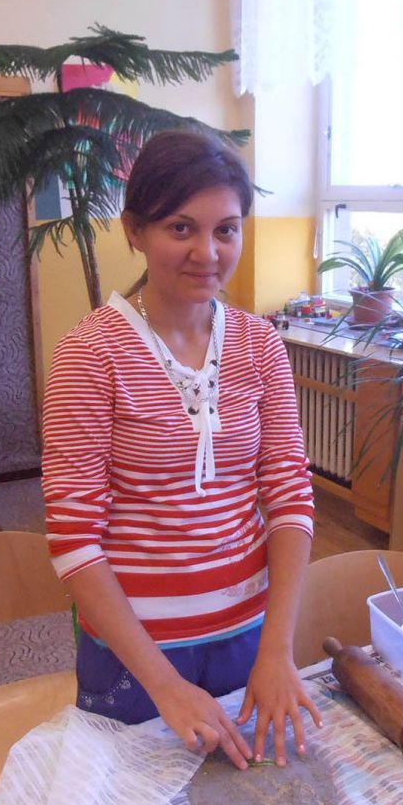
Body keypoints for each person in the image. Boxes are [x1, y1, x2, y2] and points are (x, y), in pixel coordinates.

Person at [41, 129, 319, 771]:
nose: (207, 253)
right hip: (137, 655)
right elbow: (75, 539)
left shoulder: (259, 345)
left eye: (227, 230)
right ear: (134, 231)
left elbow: (289, 496)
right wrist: (164, 685)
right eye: (181, 228)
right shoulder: (89, 355)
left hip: (248, 639)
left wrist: (277, 650)